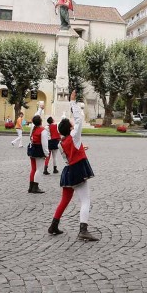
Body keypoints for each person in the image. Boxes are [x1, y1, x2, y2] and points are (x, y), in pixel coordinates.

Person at [48, 90, 98, 241]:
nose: (72, 125)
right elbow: (79, 120)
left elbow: (70, 152)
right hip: (77, 170)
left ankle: (53, 225)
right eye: (71, 125)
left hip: (68, 171)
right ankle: (83, 230)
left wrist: (82, 148)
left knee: (65, 200)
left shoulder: (61, 142)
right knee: (85, 200)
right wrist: (72, 102)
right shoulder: (73, 136)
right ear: (70, 129)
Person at [27, 114, 49, 194]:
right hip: (39, 150)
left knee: (33, 169)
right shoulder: (43, 130)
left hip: (33, 149)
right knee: (39, 169)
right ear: (41, 121)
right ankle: (35, 187)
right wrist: (46, 153)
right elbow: (44, 143)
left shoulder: (33, 129)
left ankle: (31, 187)